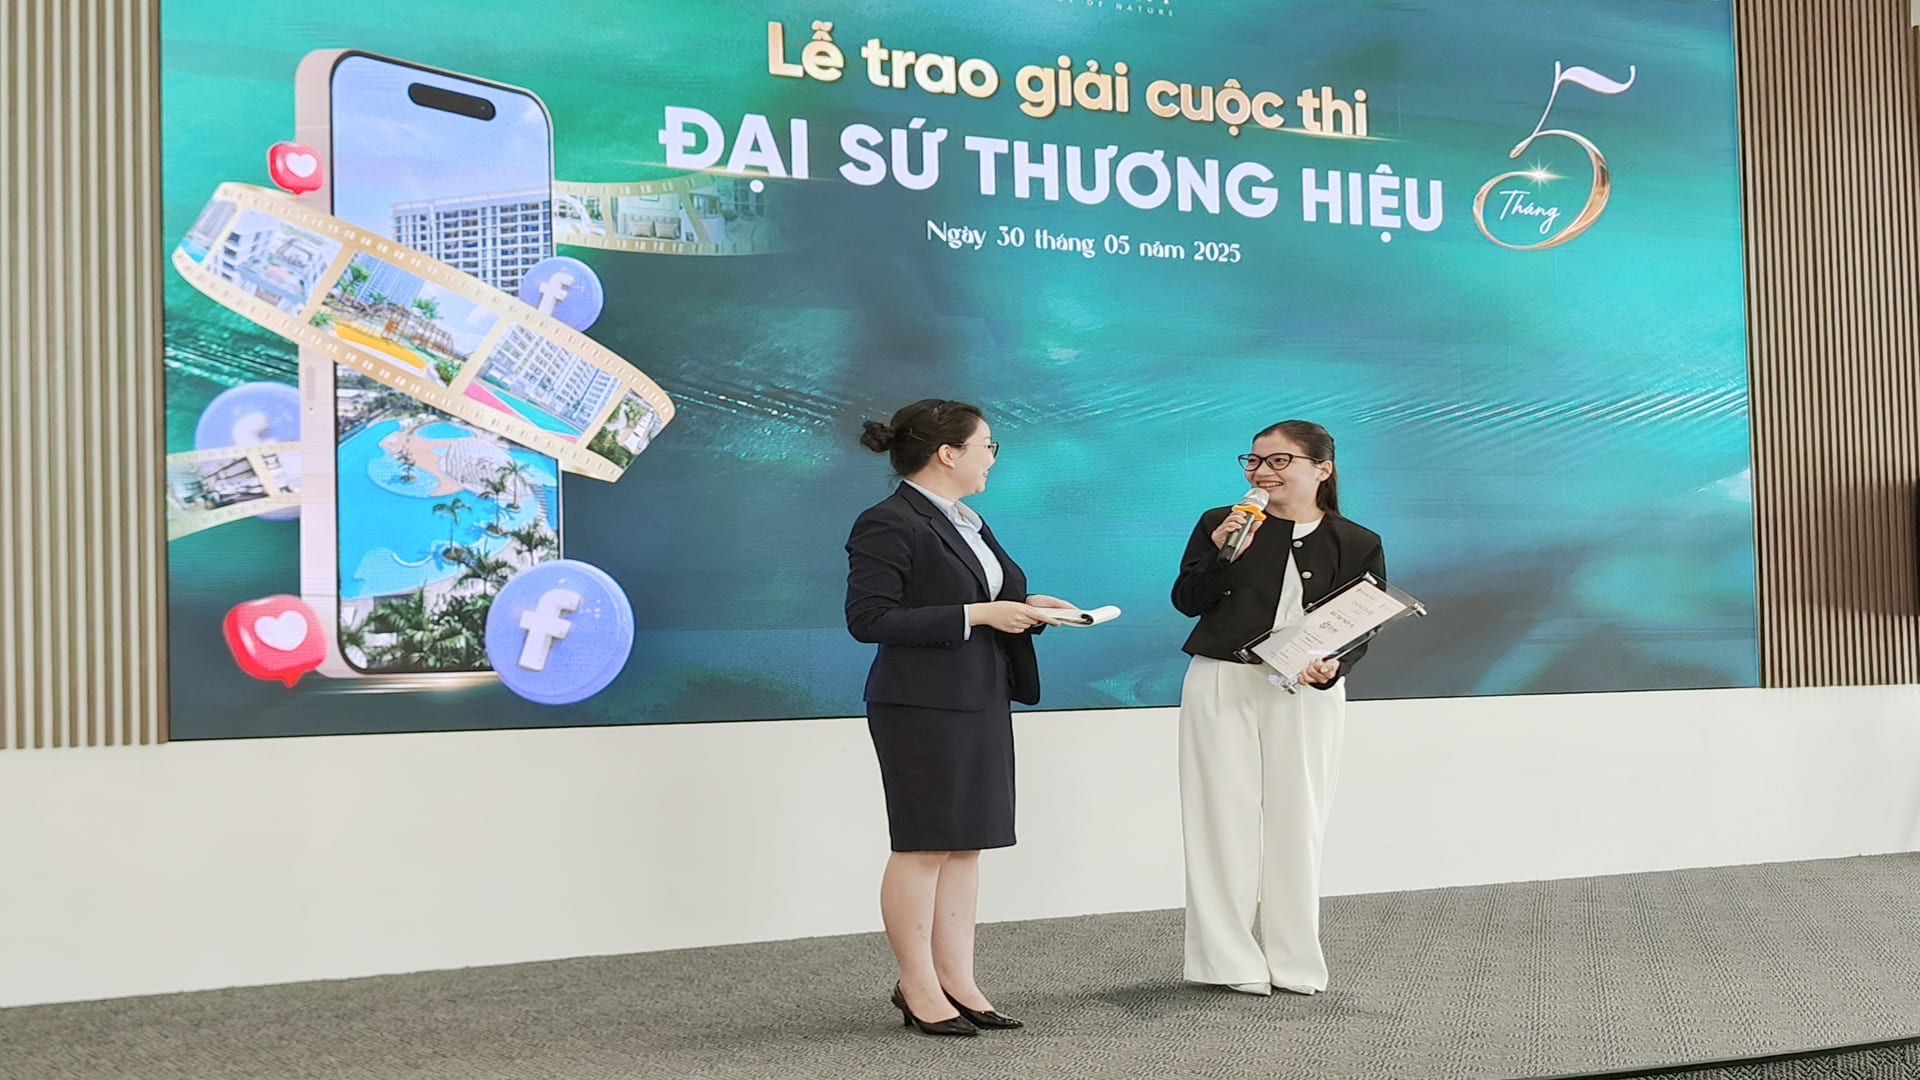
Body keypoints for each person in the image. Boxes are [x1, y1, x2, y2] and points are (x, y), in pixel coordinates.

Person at [845, 398, 1077, 1036]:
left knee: (967, 844)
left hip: (981, 694)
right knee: (923, 846)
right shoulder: (888, 520)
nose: (992, 458)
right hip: (921, 704)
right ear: (948, 453)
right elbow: (870, 619)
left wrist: (1029, 606)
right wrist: (980, 615)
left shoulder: (967, 519)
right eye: (986, 446)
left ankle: (959, 980)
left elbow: (978, 595)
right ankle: (917, 985)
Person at [1170, 419, 1387, 997]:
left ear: (1322, 469)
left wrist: (1334, 664)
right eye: (1255, 460)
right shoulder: (1221, 523)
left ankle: (1294, 961)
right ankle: (1227, 961)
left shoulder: (1357, 541)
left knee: (1299, 820)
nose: (1262, 471)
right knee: (1220, 818)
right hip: (1222, 680)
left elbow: (1361, 622)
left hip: (1307, 693)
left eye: (1279, 460)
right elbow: (1187, 601)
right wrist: (1224, 553)